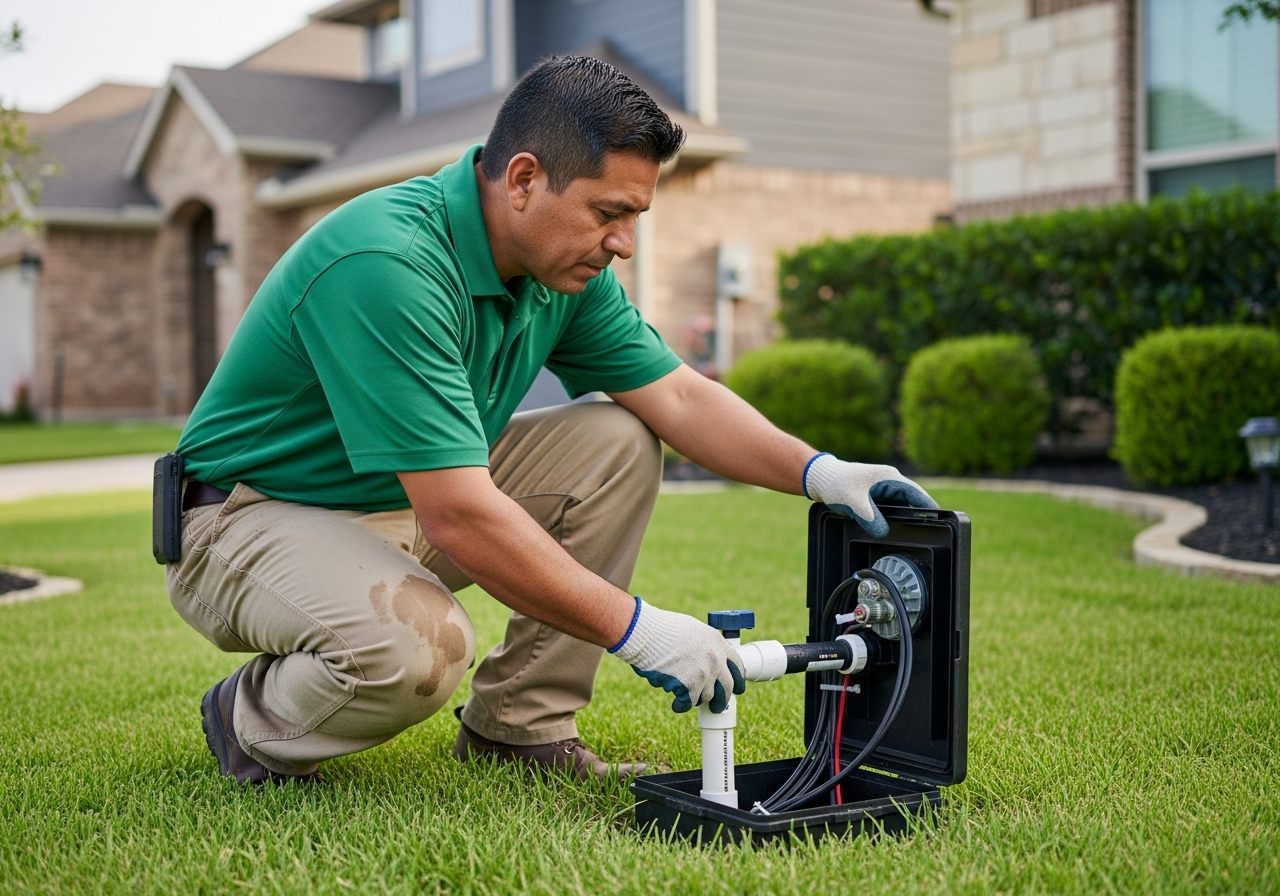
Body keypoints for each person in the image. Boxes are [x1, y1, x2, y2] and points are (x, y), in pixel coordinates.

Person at [162, 54, 936, 785]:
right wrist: (640, 630)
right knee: (420, 651)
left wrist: (822, 473)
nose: (623, 245)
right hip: (244, 520)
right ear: (525, 180)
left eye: (634, 216)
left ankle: (517, 728)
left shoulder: (561, 273)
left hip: (390, 503)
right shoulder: (389, 265)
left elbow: (679, 398)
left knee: (618, 440)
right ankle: (249, 718)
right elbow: (461, 515)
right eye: (609, 213)